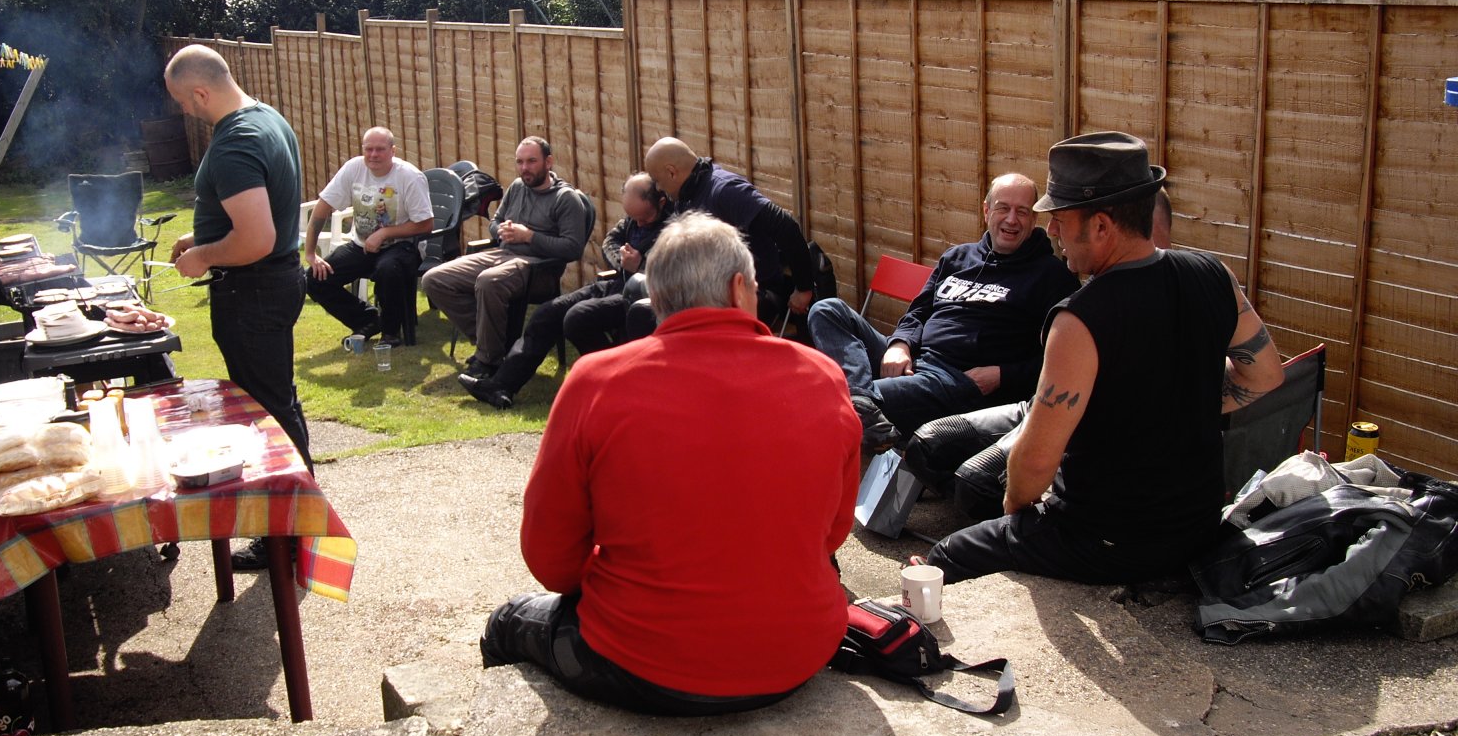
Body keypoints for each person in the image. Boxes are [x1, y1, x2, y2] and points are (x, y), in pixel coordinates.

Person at [479, 212, 860, 716]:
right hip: (801, 653)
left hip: (643, 662)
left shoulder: (596, 380)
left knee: (507, 622)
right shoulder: (824, 375)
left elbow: (551, 560)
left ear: (654, 297)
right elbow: (832, 534)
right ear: (739, 288)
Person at [928, 133, 1284, 585]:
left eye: (1060, 219)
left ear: (1100, 226)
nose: (1051, 232)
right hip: (1199, 527)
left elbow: (1035, 461)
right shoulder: (1215, 274)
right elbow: (1265, 374)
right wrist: (1183, 404)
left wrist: (1015, 518)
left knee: (945, 556)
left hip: (1108, 539)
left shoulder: (1079, 319)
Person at [907, 189, 1176, 520]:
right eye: (1003, 209)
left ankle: (1014, 522)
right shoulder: (1089, 297)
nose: (1050, 231)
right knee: (926, 447)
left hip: (1077, 424)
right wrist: (900, 342)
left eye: (1058, 221)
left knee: (973, 487)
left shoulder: (1182, 286)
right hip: (1035, 405)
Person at [165, 44, 310, 571]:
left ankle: (288, 537)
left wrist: (204, 255)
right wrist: (200, 235)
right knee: (279, 402)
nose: (185, 110)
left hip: (252, 292)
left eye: (184, 101)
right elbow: (259, 212)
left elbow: (255, 238)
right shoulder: (267, 117)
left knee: (268, 414)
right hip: (273, 283)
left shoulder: (234, 143)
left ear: (201, 91)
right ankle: (297, 524)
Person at [806, 173, 1079, 450]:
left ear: (1033, 220)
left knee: (828, 401)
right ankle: (862, 400)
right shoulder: (957, 258)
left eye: (1022, 211)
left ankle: (860, 405)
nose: (1011, 219)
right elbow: (918, 312)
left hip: (957, 381)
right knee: (827, 309)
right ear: (987, 211)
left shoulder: (1051, 277)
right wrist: (900, 344)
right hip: (915, 360)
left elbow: (1062, 362)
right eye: (1003, 208)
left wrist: (1003, 375)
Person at [459, 172, 669, 409]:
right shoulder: (632, 219)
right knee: (548, 312)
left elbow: (670, 271)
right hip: (615, 283)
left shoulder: (671, 228)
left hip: (644, 296)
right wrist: (622, 262)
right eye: (632, 218)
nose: (636, 223)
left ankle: (618, 380)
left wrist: (640, 266)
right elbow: (610, 242)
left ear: (660, 203)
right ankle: (501, 385)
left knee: (577, 318)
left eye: (642, 219)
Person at [422, 137, 590, 377]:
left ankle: (487, 360)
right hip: (503, 253)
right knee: (433, 279)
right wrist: (500, 230)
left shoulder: (566, 198)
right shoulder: (517, 187)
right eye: (520, 162)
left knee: (488, 281)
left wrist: (529, 236)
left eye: (531, 161)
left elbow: (573, 248)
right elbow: (495, 221)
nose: (524, 168)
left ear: (548, 162)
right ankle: (494, 344)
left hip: (539, 268)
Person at [642, 137, 815, 328]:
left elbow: (785, 226)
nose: (658, 188)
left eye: (657, 181)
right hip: (707, 292)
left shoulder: (726, 191)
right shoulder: (686, 196)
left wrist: (804, 288)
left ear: (671, 172)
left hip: (751, 293)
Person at [303, 127, 433, 346]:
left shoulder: (409, 176)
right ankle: (368, 320)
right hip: (361, 245)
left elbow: (426, 223)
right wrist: (310, 254)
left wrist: (385, 233)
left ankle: (391, 332)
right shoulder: (353, 169)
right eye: (368, 149)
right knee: (315, 279)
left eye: (380, 149)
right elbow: (322, 208)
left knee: (387, 269)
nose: (373, 155)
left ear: (393, 151)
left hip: (403, 246)